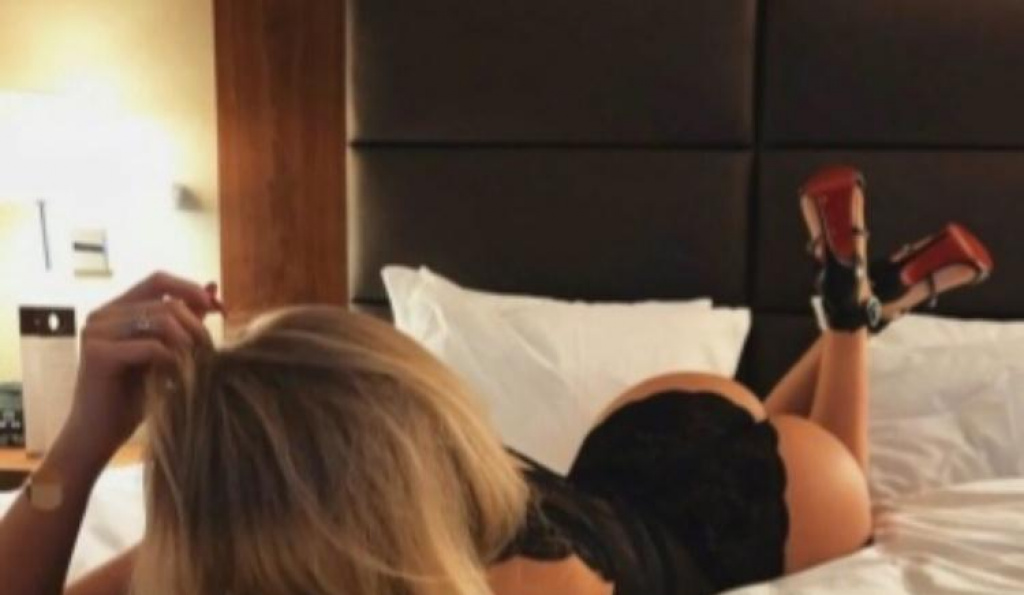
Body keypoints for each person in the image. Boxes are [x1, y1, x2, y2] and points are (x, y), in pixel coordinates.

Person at [0, 166, 993, 595]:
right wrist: (84, 433)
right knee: (773, 431)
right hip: (643, 431)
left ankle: (847, 322)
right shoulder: (252, 524)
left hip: (715, 516)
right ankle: (849, 300)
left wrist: (86, 442)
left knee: (843, 477)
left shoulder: (251, 538)